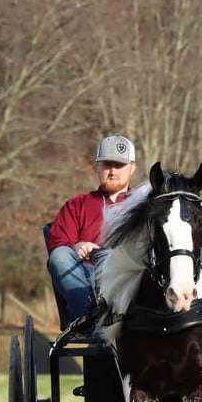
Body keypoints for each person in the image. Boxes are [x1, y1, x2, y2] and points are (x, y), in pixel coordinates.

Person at [47, 134, 137, 325]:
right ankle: (90, 319)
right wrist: (77, 245)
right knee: (60, 255)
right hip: (88, 282)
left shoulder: (143, 205)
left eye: (119, 165)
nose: (112, 171)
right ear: (97, 167)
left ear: (132, 168)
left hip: (130, 280)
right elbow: (58, 243)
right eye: (106, 165)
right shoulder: (77, 205)